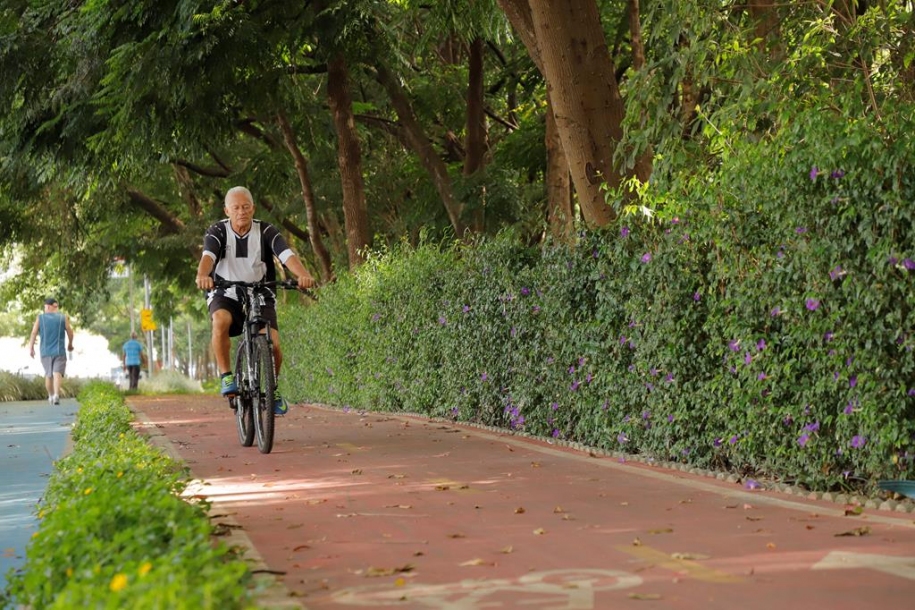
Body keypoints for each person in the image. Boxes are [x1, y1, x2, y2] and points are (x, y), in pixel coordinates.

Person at [195, 186, 316, 415]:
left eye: (246, 207)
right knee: (220, 321)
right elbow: (207, 257)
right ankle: (226, 376)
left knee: (274, 344)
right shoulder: (217, 231)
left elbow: (286, 254)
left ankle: (273, 389)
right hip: (225, 291)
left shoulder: (267, 231)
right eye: (236, 208)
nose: (241, 212)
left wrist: (302, 275)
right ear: (227, 210)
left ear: (253, 208)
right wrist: (202, 275)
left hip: (260, 292)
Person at [28, 297, 75, 405]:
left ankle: (51, 395)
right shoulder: (63, 318)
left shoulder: (40, 318)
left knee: (49, 375)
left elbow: (34, 333)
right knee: (57, 373)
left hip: (45, 352)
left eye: (45, 307)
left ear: (48, 306)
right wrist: (70, 344)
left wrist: (31, 348)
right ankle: (56, 395)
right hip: (59, 351)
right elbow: (70, 332)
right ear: (55, 306)